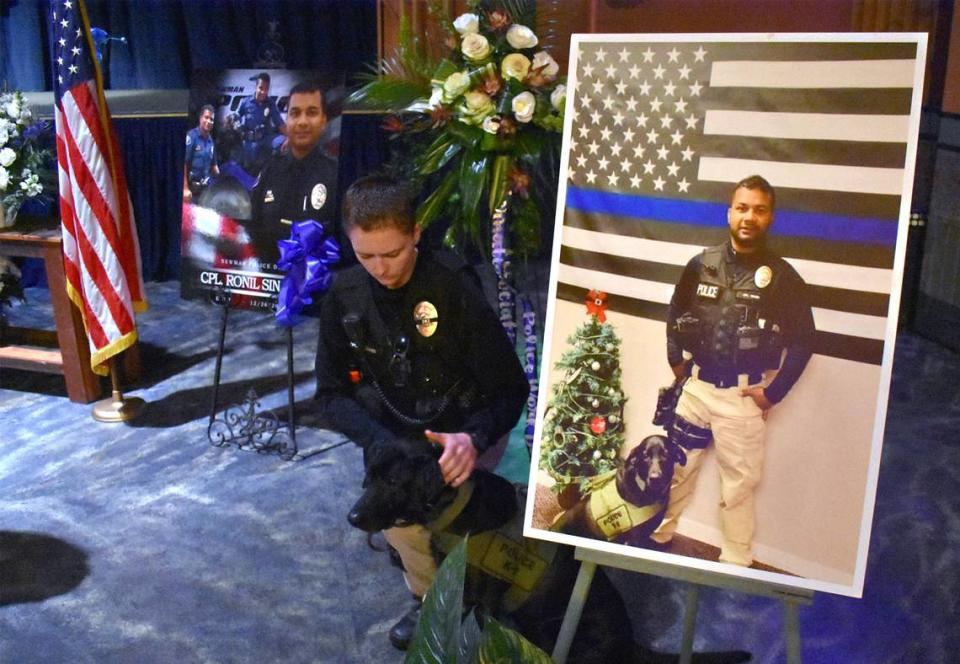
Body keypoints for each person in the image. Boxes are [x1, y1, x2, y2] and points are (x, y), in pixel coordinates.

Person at [313, 174, 529, 650]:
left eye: (392, 253)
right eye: (365, 255)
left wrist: (472, 439)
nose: (381, 268)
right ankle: (430, 598)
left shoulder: (452, 287)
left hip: (463, 427)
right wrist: (376, 441)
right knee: (401, 509)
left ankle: (467, 592)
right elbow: (328, 394)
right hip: (391, 432)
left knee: (454, 513)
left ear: (415, 233)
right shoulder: (346, 294)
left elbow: (510, 389)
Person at [650, 174, 815, 567]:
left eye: (759, 209)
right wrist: (677, 362)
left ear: (770, 217)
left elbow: (805, 340)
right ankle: (658, 531)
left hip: (742, 400)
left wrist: (772, 394)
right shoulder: (701, 264)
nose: (749, 217)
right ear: (729, 213)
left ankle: (737, 559)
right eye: (742, 208)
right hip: (696, 391)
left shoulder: (782, 277)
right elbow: (676, 312)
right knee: (676, 467)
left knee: (739, 486)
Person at [248, 80, 338, 270]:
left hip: (313, 287)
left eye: (311, 113)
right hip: (264, 281)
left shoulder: (334, 175)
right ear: (287, 120)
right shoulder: (269, 170)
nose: (302, 121)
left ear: (323, 121)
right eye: (295, 113)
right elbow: (253, 226)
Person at [234, 72, 285, 177]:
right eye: (261, 88)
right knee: (245, 169)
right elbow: (237, 117)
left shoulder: (270, 103)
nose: (263, 92)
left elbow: (280, 124)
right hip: (248, 142)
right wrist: (234, 123)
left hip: (264, 140)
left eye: (266, 89)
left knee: (283, 141)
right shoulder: (245, 102)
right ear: (256, 86)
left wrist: (291, 139)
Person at [183, 104, 219, 203]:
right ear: (200, 118)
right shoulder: (191, 137)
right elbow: (183, 163)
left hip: (205, 192)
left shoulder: (210, 141)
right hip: (191, 191)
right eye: (206, 117)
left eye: (211, 119)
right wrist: (185, 188)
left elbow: (214, 167)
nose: (209, 121)